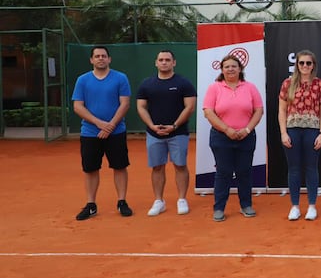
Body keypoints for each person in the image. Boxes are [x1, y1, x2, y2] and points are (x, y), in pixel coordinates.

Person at [72, 46, 132, 220]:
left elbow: (125, 104)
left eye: (104, 56)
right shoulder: (82, 80)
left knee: (120, 167)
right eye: (97, 56)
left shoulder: (121, 78)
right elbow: (78, 106)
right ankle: (91, 205)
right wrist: (99, 124)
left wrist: (111, 126)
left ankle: (122, 202)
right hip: (90, 133)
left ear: (109, 59)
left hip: (117, 132)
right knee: (90, 169)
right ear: (91, 60)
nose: (100, 59)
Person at [202, 54, 264, 222]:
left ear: (240, 69)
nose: (230, 69)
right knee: (224, 172)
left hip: (247, 136)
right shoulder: (214, 88)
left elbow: (258, 110)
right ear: (222, 70)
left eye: (234, 66)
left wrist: (247, 129)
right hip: (221, 137)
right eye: (227, 66)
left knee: (245, 172)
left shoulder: (250, 87)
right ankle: (219, 208)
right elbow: (208, 112)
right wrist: (227, 129)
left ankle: (246, 205)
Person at [136, 50, 197, 216]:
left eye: (167, 60)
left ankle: (182, 199)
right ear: (156, 62)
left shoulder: (184, 83)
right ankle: (158, 201)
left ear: (174, 63)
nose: (164, 62)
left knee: (180, 166)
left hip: (178, 133)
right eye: (161, 60)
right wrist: (152, 126)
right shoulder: (146, 84)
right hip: (154, 134)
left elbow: (190, 107)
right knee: (157, 167)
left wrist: (175, 126)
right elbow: (141, 107)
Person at [278, 50, 321, 221]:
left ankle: (312, 206)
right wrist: (284, 133)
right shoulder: (287, 84)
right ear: (297, 65)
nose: (305, 66)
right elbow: (282, 111)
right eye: (302, 63)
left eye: (309, 63)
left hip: (313, 130)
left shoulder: (320, 84)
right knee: (293, 169)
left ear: (313, 65)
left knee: (311, 168)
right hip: (292, 130)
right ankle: (294, 206)